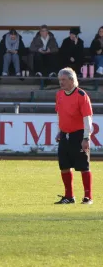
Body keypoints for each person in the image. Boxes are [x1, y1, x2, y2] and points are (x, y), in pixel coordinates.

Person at [54, 67, 94, 205]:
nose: (61, 83)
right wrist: (60, 131)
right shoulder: (59, 94)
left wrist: (86, 137)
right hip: (65, 135)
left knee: (84, 166)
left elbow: (87, 118)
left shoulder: (82, 95)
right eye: (60, 80)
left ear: (72, 80)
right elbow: (60, 114)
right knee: (64, 165)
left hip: (79, 134)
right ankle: (69, 196)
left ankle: (88, 197)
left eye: (64, 80)